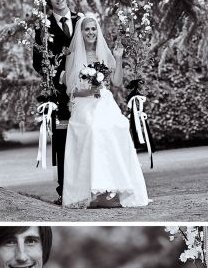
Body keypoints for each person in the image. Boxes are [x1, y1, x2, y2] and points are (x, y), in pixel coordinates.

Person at [62, 14, 151, 208]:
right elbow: (71, 90)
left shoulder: (105, 52)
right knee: (94, 128)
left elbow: (117, 82)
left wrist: (118, 59)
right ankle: (94, 191)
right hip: (83, 103)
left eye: (94, 29)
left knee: (119, 125)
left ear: (97, 30)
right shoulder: (73, 55)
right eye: (87, 29)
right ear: (81, 32)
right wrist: (88, 91)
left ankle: (115, 189)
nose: (91, 32)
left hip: (104, 101)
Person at [32, 0, 79, 206]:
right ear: (48, 2)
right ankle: (64, 191)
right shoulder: (44, 26)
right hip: (59, 94)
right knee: (62, 142)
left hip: (84, 90)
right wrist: (55, 73)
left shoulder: (81, 21)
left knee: (85, 137)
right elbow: (37, 62)